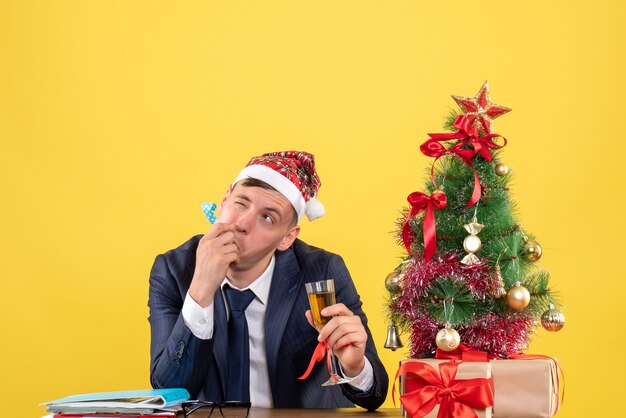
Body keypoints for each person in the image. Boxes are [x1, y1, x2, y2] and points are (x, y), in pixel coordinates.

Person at [148, 151, 388, 410]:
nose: (242, 224)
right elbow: (168, 390)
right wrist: (201, 291)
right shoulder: (174, 269)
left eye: (267, 217)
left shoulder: (322, 270)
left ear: (287, 237)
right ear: (224, 199)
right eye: (241, 203)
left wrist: (355, 368)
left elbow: (375, 395)